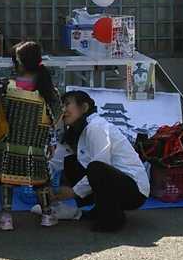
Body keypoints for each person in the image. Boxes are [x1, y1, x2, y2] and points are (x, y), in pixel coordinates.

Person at [46, 90, 148, 232]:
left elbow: (102, 164)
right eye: (61, 106)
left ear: (84, 107)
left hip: (134, 191)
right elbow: (55, 160)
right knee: (71, 162)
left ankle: (112, 218)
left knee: (96, 168)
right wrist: (44, 184)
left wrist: (73, 192)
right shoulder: (77, 131)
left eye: (67, 104)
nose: (63, 110)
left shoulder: (96, 127)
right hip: (117, 182)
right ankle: (101, 209)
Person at [0, 40, 60, 230]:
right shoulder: (48, 90)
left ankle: (6, 218)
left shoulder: (5, 87)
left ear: (18, 62)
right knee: (42, 182)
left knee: (6, 180)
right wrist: (51, 142)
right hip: (36, 148)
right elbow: (53, 120)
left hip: (6, 146)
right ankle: (47, 215)